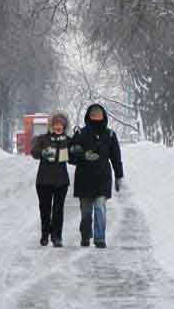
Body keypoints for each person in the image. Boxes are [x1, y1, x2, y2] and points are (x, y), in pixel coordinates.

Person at [70, 103, 123, 249]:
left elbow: (116, 157)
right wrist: (83, 155)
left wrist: (119, 176)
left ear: (103, 117)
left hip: (102, 177)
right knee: (86, 211)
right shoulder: (80, 134)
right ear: (88, 117)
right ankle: (86, 235)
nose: (96, 118)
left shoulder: (110, 135)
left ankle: (100, 238)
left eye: (99, 116)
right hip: (84, 177)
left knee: (100, 207)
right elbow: (71, 155)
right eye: (93, 116)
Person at [30, 111, 71, 247]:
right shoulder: (43, 139)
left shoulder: (67, 140)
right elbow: (34, 152)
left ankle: (57, 237)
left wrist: (76, 151)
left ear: (65, 126)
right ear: (51, 125)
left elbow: (74, 158)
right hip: (44, 181)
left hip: (62, 182)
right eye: (56, 124)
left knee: (58, 210)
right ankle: (45, 234)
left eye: (61, 124)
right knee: (45, 209)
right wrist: (42, 152)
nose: (58, 127)